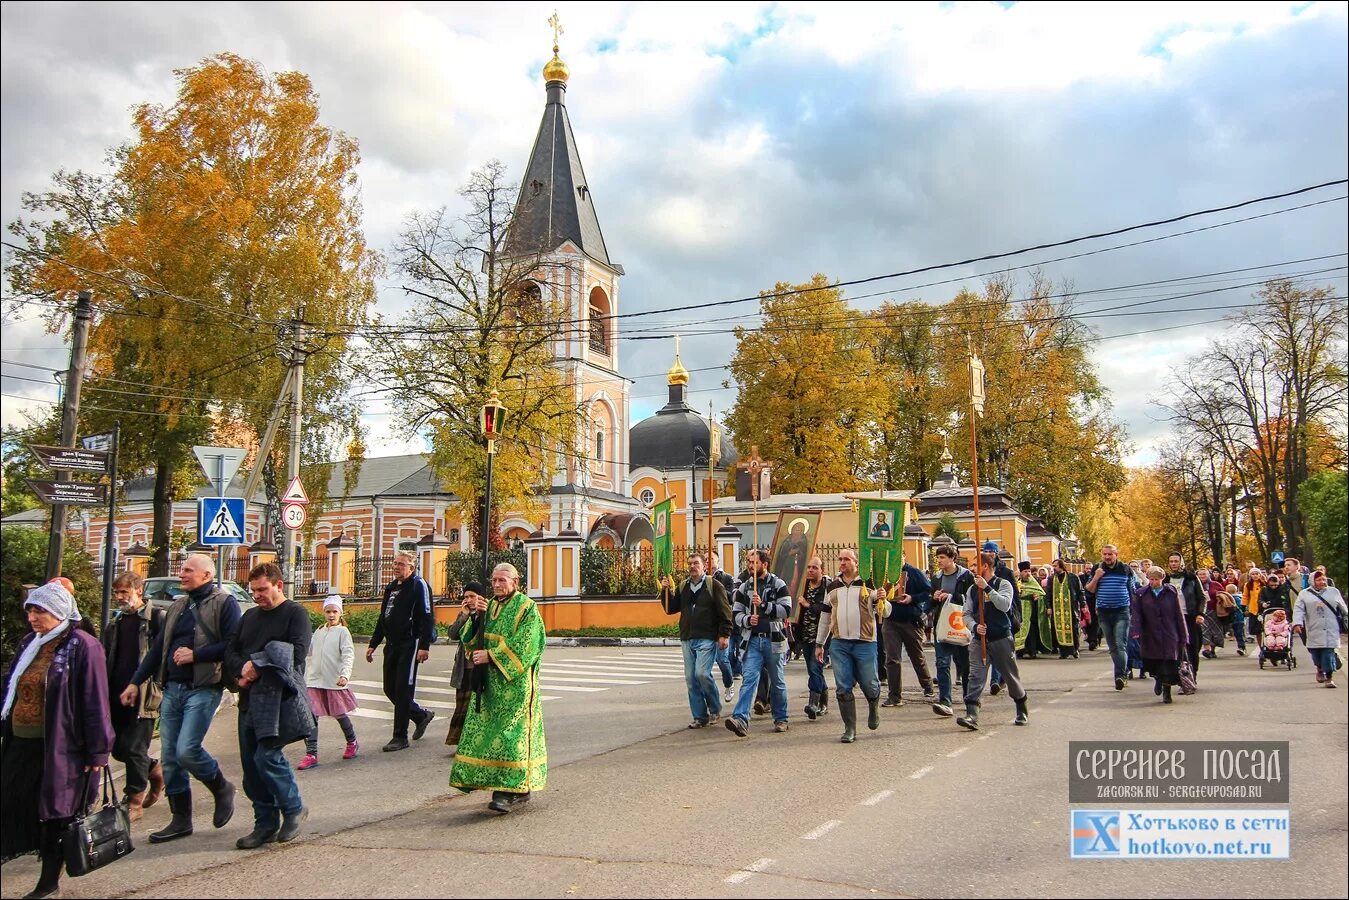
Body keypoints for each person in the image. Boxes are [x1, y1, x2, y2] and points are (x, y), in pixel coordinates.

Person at [1, 582, 114, 900]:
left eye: (40, 611)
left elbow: (95, 702)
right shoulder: (30, 643)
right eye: (31, 611)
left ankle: (48, 884)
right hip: (21, 743)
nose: (33, 618)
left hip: (63, 748)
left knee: (56, 815)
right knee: (10, 804)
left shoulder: (83, 646)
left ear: (60, 611)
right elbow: (13, 686)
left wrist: (98, 751)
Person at [122, 552, 240, 843]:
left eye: (188, 570)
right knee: (171, 758)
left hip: (204, 686)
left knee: (187, 750)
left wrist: (196, 654)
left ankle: (221, 786)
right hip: (172, 688)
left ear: (207, 576)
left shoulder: (225, 603)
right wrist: (135, 683)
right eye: (182, 569)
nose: (182, 573)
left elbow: (233, 644)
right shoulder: (178, 606)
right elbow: (158, 649)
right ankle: (180, 819)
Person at [226, 563, 313, 849]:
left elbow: (297, 655)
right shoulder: (250, 616)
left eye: (262, 589)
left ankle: (293, 809)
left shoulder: (295, 613)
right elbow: (232, 651)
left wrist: (257, 666)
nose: (257, 596)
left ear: (278, 585)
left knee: (267, 757)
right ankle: (264, 822)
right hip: (250, 699)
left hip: (279, 699)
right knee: (251, 766)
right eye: (253, 590)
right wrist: (243, 670)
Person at [449, 563, 547, 813]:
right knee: (486, 734)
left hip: (515, 685)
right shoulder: (488, 606)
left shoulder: (527, 607)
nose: (497, 585)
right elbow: (469, 638)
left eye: (502, 580)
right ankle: (508, 785)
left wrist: (491, 655)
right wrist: (476, 616)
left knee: (510, 736)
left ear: (515, 581)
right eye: (493, 580)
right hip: (489, 684)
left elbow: (529, 644)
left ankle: (507, 791)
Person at [103, 572, 165, 822]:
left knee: (134, 747)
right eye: (116, 593)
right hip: (115, 692)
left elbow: (163, 654)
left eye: (123, 592)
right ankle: (154, 770)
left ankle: (134, 800)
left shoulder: (155, 619)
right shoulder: (115, 623)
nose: (119, 597)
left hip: (143, 694)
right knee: (117, 748)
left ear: (139, 590)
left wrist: (159, 687)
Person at [366, 552, 437, 752]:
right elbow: (383, 617)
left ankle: (400, 737)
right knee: (389, 688)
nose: (396, 567)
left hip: (410, 644)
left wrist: (424, 645)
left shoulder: (418, 585)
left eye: (401, 564)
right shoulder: (391, 587)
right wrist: (374, 643)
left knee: (403, 690)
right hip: (392, 644)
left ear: (412, 568)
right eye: (395, 563)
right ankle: (420, 715)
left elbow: (427, 615)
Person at [815, 549, 888, 743]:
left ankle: (873, 705)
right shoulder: (832, 586)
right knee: (843, 686)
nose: (842, 562)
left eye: (846, 559)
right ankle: (850, 728)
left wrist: (882, 598)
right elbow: (825, 617)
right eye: (840, 559)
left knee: (869, 682)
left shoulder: (870, 584)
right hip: (839, 643)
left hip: (865, 642)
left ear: (856, 562)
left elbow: (886, 612)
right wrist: (819, 643)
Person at [957, 552, 1029, 731]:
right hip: (979, 640)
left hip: (1001, 638)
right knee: (976, 676)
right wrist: (974, 627)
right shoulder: (972, 589)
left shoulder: (1003, 584)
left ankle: (1021, 707)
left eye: (975, 565)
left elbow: (1004, 605)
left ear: (986, 566)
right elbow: (966, 613)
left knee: (1010, 675)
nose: (972, 569)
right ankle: (972, 713)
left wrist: (988, 588)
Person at [660, 554, 733, 728]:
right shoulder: (683, 586)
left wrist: (725, 634)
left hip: (707, 637)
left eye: (696, 563)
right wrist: (665, 591)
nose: (693, 566)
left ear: (704, 566)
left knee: (702, 674)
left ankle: (714, 708)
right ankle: (700, 716)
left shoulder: (713, 585)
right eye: (690, 563)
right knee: (690, 678)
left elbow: (725, 611)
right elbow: (671, 608)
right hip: (687, 637)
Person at [724, 549, 792, 737]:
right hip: (752, 640)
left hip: (773, 640)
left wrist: (763, 605)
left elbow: (787, 609)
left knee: (777, 681)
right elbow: (736, 613)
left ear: (764, 564)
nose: (751, 565)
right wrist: (747, 620)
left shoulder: (778, 584)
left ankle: (781, 718)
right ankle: (740, 719)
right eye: (748, 562)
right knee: (749, 680)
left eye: (754, 562)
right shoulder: (745, 587)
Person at [298, 595, 358, 770]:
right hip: (315, 680)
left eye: (334, 611)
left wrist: (344, 675)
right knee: (312, 716)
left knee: (339, 714)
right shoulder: (319, 631)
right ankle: (311, 753)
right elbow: (308, 651)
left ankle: (352, 741)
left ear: (340, 613)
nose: (331, 615)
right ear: (323, 612)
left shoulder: (343, 632)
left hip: (334, 681)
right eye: (328, 611)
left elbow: (348, 655)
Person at [1130, 567, 1189, 704]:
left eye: (1156, 579)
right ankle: (1158, 679)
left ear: (1162, 579)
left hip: (1169, 632)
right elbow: (1137, 614)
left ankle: (1166, 691)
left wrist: (1183, 634)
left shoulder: (1170, 591)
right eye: (1151, 579)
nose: (1153, 582)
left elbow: (1179, 614)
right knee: (1154, 662)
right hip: (1150, 633)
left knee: (1169, 663)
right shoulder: (1141, 594)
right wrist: (1135, 630)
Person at [880, 560, 934, 706]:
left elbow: (928, 591)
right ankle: (894, 696)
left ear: (903, 555)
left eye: (896, 556)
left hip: (910, 620)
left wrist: (912, 598)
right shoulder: (884, 573)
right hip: (890, 619)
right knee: (892, 659)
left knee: (916, 656)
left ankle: (927, 685)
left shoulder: (914, 573)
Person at [930, 544, 973, 718]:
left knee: (964, 664)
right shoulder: (936, 578)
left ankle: (969, 698)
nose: (939, 561)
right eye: (938, 557)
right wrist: (933, 598)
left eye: (942, 557)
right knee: (942, 662)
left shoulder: (965, 576)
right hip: (942, 624)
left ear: (952, 558)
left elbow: (971, 599)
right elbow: (931, 599)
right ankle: (945, 701)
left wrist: (951, 597)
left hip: (960, 624)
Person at [1085, 544, 1134, 691]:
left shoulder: (1125, 569)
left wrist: (1133, 610)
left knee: (1120, 644)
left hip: (1122, 611)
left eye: (1110, 554)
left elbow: (1132, 590)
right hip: (1104, 612)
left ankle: (1120, 676)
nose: (1107, 557)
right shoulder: (1097, 569)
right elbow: (1089, 590)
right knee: (1112, 647)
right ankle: (1123, 673)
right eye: (1104, 554)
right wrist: (1097, 577)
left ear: (1116, 554)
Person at [444, 582, 484, 750]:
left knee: (474, 707)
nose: (468, 600)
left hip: (479, 667)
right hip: (464, 668)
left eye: (472, 597)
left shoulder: (487, 614)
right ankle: (460, 742)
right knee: (462, 706)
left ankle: (474, 744)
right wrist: (464, 615)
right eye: (466, 597)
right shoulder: (465, 615)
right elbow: (453, 634)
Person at [1294, 570, 1348, 688]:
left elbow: (1343, 608)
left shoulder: (1333, 591)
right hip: (1313, 628)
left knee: (1328, 652)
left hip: (1331, 627)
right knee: (1316, 653)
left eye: (1324, 579)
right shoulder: (1304, 594)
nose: (1322, 582)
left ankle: (1329, 678)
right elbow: (1298, 609)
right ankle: (1319, 668)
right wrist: (1297, 623)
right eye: (1318, 580)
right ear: (1312, 581)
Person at [797, 557, 832, 719]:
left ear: (822, 570)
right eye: (809, 567)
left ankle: (813, 703)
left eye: (815, 568)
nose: (811, 570)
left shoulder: (828, 587)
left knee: (815, 667)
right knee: (813, 669)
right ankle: (823, 703)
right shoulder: (802, 587)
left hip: (822, 637)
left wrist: (808, 605)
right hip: (805, 636)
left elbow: (828, 610)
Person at [1165, 554, 1207, 679]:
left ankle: (1191, 675)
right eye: (1171, 561)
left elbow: (1202, 597)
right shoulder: (1166, 579)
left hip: (1190, 616)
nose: (1173, 564)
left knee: (1192, 648)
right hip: (1172, 618)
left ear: (1181, 563)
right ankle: (1178, 677)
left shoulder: (1191, 578)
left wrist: (1200, 614)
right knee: (1175, 648)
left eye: (1176, 561)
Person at [708, 552, 738, 703]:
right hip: (707, 626)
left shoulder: (726, 578)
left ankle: (729, 683)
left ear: (718, 561)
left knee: (722, 659)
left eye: (712, 559)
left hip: (721, 624)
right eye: (706, 559)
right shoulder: (701, 578)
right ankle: (710, 695)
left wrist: (714, 586)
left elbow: (730, 596)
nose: (709, 561)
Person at [1046, 559, 1083, 659]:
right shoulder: (1051, 579)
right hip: (1057, 608)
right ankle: (1064, 652)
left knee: (1073, 629)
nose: (1054, 568)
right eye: (1053, 566)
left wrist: (1083, 605)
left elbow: (1080, 592)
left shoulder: (1072, 577)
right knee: (1059, 629)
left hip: (1070, 608)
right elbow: (1048, 594)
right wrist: (1048, 607)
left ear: (1061, 566)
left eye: (1055, 566)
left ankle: (1075, 650)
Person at [1015, 562, 1052, 660]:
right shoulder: (1016, 582)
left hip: (1032, 611)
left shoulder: (1034, 582)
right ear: (1020, 572)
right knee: (1019, 629)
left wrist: (1037, 597)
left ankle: (1032, 651)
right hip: (1019, 610)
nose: (1028, 573)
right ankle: (1020, 651)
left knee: (1031, 630)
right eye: (1025, 571)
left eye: (1029, 571)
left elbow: (1041, 594)